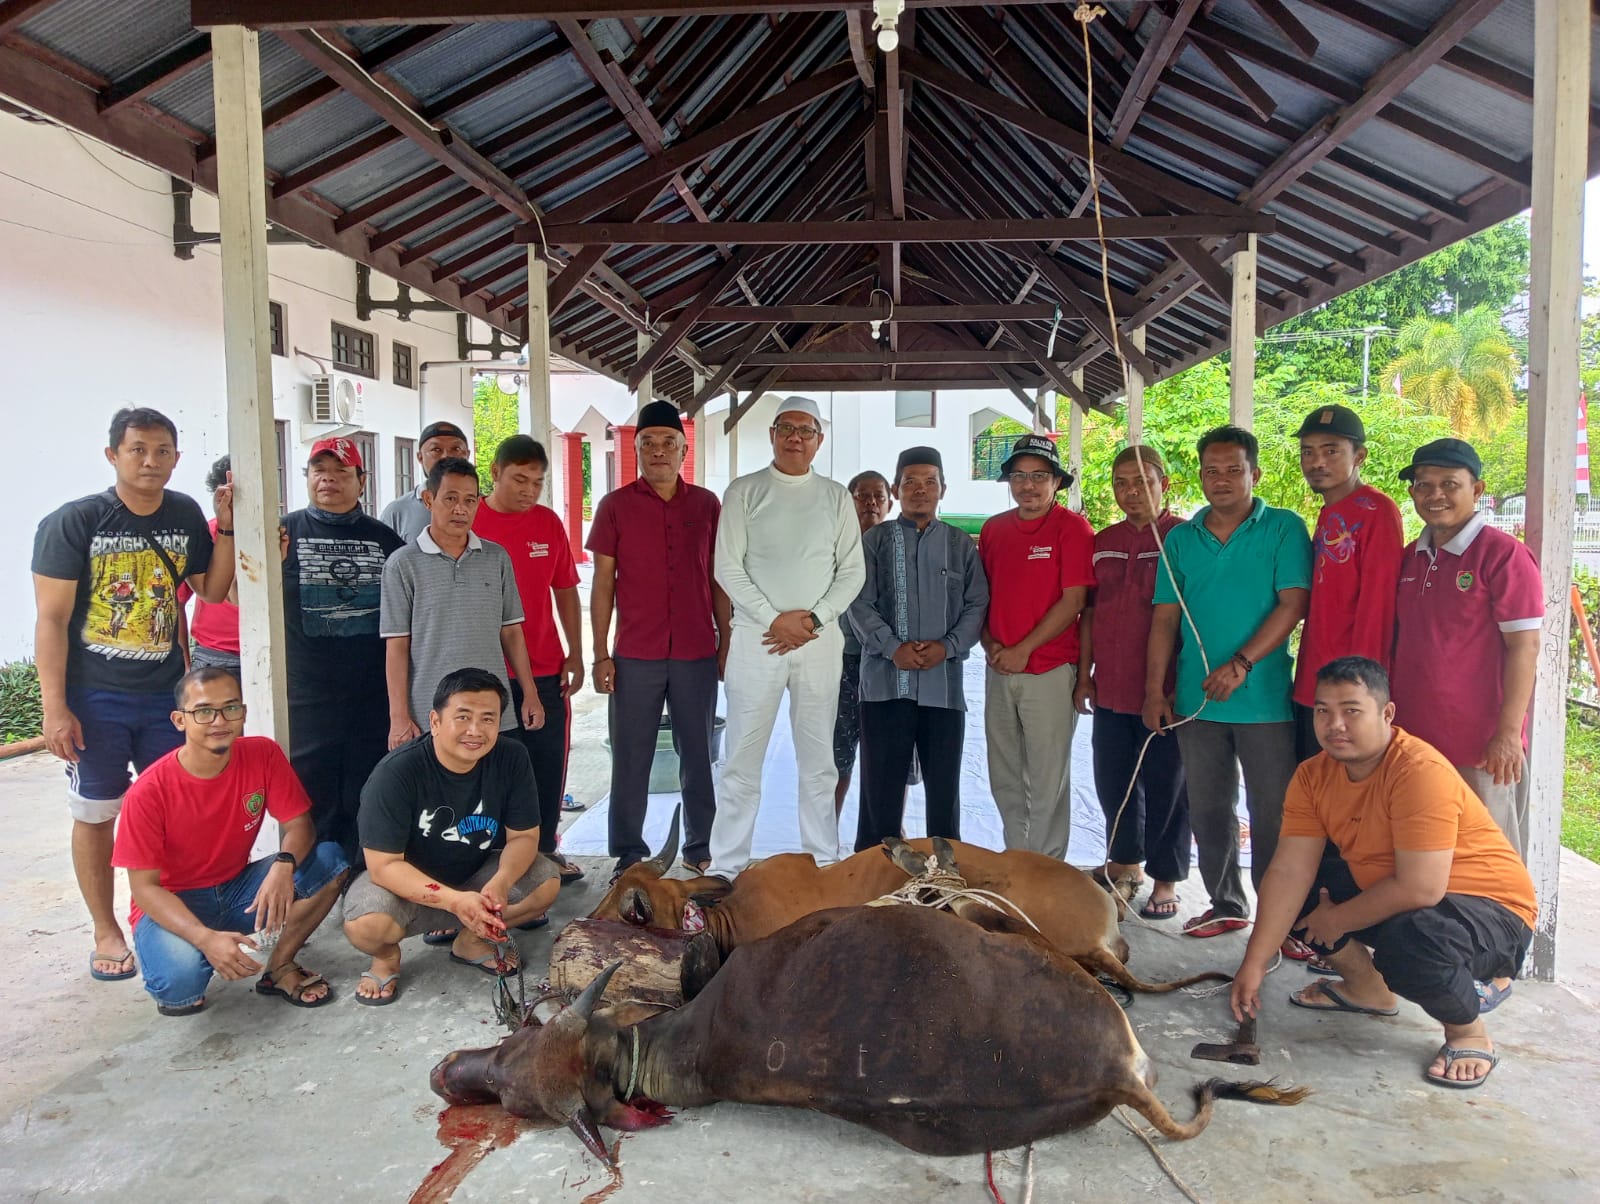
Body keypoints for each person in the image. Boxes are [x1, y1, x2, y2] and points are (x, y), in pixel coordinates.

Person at [1230, 658, 1536, 1090]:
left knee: (1411, 947)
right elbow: (1288, 871)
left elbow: (1421, 886)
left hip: (1494, 912)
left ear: (1386, 714)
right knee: (1298, 889)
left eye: (1351, 710)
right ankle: (1366, 989)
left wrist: (1336, 919)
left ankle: (1468, 1030)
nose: (1335, 724)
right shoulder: (1312, 775)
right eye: (1322, 711)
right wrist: (1254, 963)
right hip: (1405, 895)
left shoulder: (1417, 771)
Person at [33, 407, 235, 982]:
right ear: (112, 455)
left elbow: (212, 589)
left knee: (170, 813)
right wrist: (55, 707)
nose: (151, 462)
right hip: (94, 696)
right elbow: (51, 620)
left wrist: (229, 527)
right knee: (97, 813)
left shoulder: (184, 513)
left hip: (165, 696)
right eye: (137, 450)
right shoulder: (76, 522)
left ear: (176, 456)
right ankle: (106, 928)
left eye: (163, 451)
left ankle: (159, 915)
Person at [1144, 425, 1311, 939]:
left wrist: (1241, 663)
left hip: (1264, 702)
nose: (1221, 480)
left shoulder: (1282, 528)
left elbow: (1294, 604)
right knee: (1209, 808)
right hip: (1198, 703)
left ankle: (1283, 922)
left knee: (1273, 815)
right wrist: (1156, 690)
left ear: (1254, 474)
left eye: (1233, 470)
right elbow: (1165, 620)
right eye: (1211, 471)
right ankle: (1225, 903)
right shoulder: (1180, 538)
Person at [109, 666, 348, 1015]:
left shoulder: (262, 754)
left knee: (330, 861)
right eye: (204, 711)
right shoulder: (148, 791)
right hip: (173, 901)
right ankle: (197, 947)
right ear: (180, 720)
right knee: (180, 989)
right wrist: (204, 939)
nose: (219, 720)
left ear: (243, 713)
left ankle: (279, 967)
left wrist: (283, 866)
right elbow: (145, 889)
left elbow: (300, 825)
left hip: (236, 889)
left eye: (231, 708)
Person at [710, 397, 865, 878]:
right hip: (757, 642)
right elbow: (727, 568)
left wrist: (813, 621)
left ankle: (822, 861)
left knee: (819, 760)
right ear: (773, 434)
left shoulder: (836, 496)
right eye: (787, 428)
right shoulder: (744, 490)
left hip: (818, 646)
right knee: (741, 757)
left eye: (806, 430)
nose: (795, 437)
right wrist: (773, 618)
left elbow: (852, 572)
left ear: (820, 439)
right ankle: (727, 866)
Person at [343, 668, 561, 1004]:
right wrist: (454, 901)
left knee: (546, 881)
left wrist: (501, 881)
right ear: (435, 721)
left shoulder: (512, 757)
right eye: (463, 717)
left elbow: (524, 837)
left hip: (473, 875)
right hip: (405, 888)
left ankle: (472, 941)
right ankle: (386, 958)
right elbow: (383, 866)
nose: (475, 731)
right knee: (366, 925)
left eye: (487, 719)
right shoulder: (396, 773)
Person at [589, 403, 730, 879]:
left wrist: (725, 640)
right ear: (635, 451)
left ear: (684, 450)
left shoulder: (707, 505)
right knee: (632, 756)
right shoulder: (615, 507)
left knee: (699, 753)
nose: (658, 451)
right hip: (635, 654)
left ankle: (700, 845)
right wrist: (600, 653)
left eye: (668, 442)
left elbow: (718, 580)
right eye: (647, 443)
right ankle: (628, 852)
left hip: (695, 650)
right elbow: (602, 584)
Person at [1390, 439, 1541, 858]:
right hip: (1415, 743)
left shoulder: (1503, 555)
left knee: (1489, 861)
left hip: (1483, 749)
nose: (1435, 495)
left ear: (1477, 490)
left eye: (1449, 484)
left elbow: (1525, 648)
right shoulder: (1409, 559)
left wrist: (1509, 735)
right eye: (1424, 485)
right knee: (1424, 857)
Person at [848, 448, 988, 851]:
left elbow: (977, 602)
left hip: (942, 686)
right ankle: (875, 874)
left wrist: (950, 647)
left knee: (944, 791)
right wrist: (893, 648)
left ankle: (942, 877)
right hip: (883, 686)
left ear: (943, 488)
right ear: (896, 490)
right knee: (880, 791)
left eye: (930, 482)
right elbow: (858, 602)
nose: (920, 490)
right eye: (910, 482)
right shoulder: (873, 541)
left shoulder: (960, 545)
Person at [1074, 445, 1190, 918]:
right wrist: (1085, 675)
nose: (1131, 492)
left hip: (1166, 690)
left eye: (1143, 482)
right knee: (1113, 781)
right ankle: (1125, 864)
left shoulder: (1184, 538)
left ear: (1165, 485)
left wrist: (1163, 688)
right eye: (1122, 483)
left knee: (1167, 784)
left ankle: (1166, 878)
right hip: (1112, 687)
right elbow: (1089, 612)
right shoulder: (1103, 540)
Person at [279, 437, 406, 866]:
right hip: (305, 693)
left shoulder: (386, 541)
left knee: (365, 786)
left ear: (361, 482)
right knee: (309, 790)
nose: (328, 478)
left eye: (340, 471)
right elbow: (244, 597)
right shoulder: (284, 532)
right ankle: (311, 877)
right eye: (318, 469)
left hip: (370, 693)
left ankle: (358, 873)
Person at [474, 435, 587, 887]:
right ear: (495, 472)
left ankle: (544, 850)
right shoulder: (470, 519)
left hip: (543, 667)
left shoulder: (547, 524)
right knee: (486, 765)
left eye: (537, 482)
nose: (528, 490)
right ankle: (488, 860)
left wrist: (576, 651)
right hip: (482, 669)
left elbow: (565, 590)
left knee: (546, 761)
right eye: (519, 479)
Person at [978, 434, 1095, 860]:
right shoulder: (994, 530)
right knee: (1004, 772)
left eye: (1039, 477)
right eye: (1020, 476)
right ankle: (1017, 859)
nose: (1028, 485)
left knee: (1048, 778)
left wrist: (1024, 649)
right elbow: (983, 596)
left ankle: (1045, 866)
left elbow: (1075, 600)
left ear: (1056, 483)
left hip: (1047, 669)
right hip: (1000, 668)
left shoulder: (1072, 529)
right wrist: (990, 643)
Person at [380, 456, 542, 750]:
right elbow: (397, 646)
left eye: (469, 500)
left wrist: (530, 693)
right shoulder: (402, 565)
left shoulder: (497, 558)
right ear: (429, 500)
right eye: (450, 498)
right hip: (431, 715)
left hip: (494, 713)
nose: (460, 509)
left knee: (496, 793)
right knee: (438, 797)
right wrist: (398, 716)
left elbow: (511, 633)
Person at [1291, 405, 1404, 760]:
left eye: (1331, 451)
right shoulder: (1329, 512)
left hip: (1347, 694)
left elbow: (1378, 608)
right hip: (1314, 683)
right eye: (1308, 452)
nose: (1317, 462)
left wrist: (1359, 694)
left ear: (1360, 456)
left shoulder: (1377, 511)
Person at [834, 470, 893, 817]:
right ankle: (827, 833)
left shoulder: (899, 545)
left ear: (890, 501)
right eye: (862, 495)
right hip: (843, 659)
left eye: (878, 496)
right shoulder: (835, 545)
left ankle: (889, 831)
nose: (870, 502)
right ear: (849, 500)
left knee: (890, 755)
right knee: (838, 752)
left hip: (889, 661)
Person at [179, 454, 241, 670]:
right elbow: (178, 600)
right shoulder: (204, 534)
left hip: (272, 648)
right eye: (227, 494)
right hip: (214, 655)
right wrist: (185, 666)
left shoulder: (278, 534)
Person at [379, 420, 471, 542]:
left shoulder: (484, 511)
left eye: (456, 449)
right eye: (436, 450)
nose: (446, 456)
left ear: (467, 455)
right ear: (420, 457)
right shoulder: (397, 513)